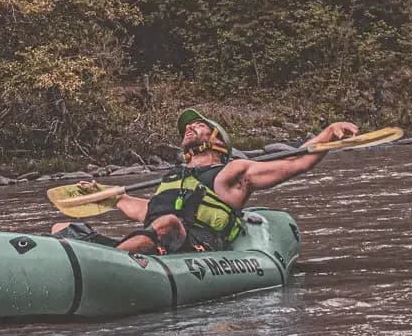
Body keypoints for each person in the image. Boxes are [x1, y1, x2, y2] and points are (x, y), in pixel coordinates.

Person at [61, 109, 359, 255]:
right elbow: (144, 210)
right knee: (62, 228)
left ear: (217, 141)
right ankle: (106, 259)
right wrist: (104, 193)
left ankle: (110, 262)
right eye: (188, 126)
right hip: (156, 240)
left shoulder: (232, 173)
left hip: (196, 246)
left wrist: (328, 133)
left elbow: (296, 162)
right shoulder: (173, 178)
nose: (190, 127)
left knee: (169, 223)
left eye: (199, 125)